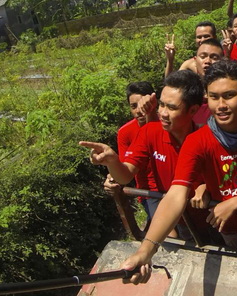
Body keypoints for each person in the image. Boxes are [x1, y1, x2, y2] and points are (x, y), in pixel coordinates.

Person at [119, 61, 237, 283]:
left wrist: (233, 202)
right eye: (214, 97)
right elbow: (176, 194)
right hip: (230, 228)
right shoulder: (196, 141)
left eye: (229, 95)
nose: (221, 105)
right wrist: (146, 250)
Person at [80, 70, 205, 233]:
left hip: (205, 219)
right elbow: (125, 175)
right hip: (169, 212)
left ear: (193, 110)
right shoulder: (149, 132)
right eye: (161, 105)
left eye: (172, 108)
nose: (163, 113)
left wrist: (205, 187)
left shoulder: (206, 138)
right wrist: (112, 161)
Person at [104, 81, 158, 221]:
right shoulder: (125, 132)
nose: (138, 111)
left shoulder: (166, 123)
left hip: (175, 188)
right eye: (133, 106)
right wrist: (112, 177)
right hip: (149, 193)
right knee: (169, 235)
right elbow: (124, 166)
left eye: (142, 105)